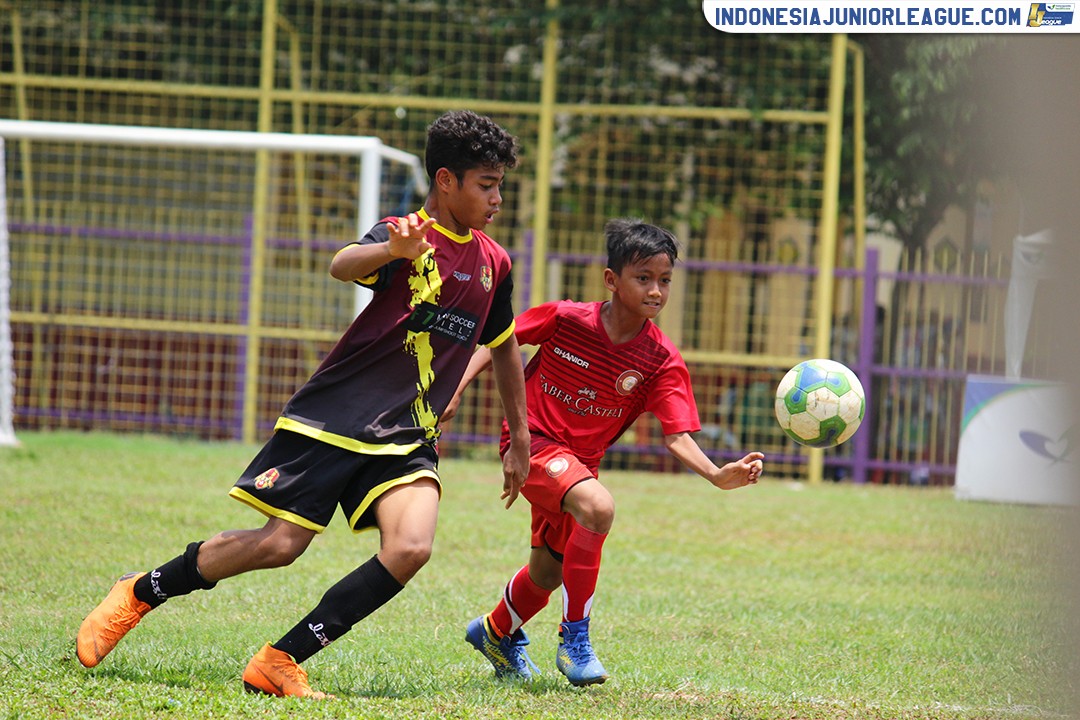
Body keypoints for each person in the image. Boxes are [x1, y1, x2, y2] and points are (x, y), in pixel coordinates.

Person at [75, 110, 531, 699]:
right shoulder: (403, 232)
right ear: (446, 181)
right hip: (336, 418)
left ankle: (282, 659)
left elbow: (503, 345)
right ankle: (141, 590)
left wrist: (520, 437)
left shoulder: (495, 263)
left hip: (407, 435)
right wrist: (389, 252)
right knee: (279, 546)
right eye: (486, 185)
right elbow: (343, 263)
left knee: (411, 547)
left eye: (500, 186)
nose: (497, 198)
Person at [445, 218, 764, 687]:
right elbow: (499, 339)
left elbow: (676, 434)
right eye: (644, 278)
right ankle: (575, 639)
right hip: (531, 445)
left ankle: (495, 631)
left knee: (546, 574)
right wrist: (455, 387)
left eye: (665, 280)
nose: (656, 291)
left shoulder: (661, 359)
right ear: (611, 280)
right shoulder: (567, 318)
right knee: (599, 506)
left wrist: (717, 474)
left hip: (579, 468)